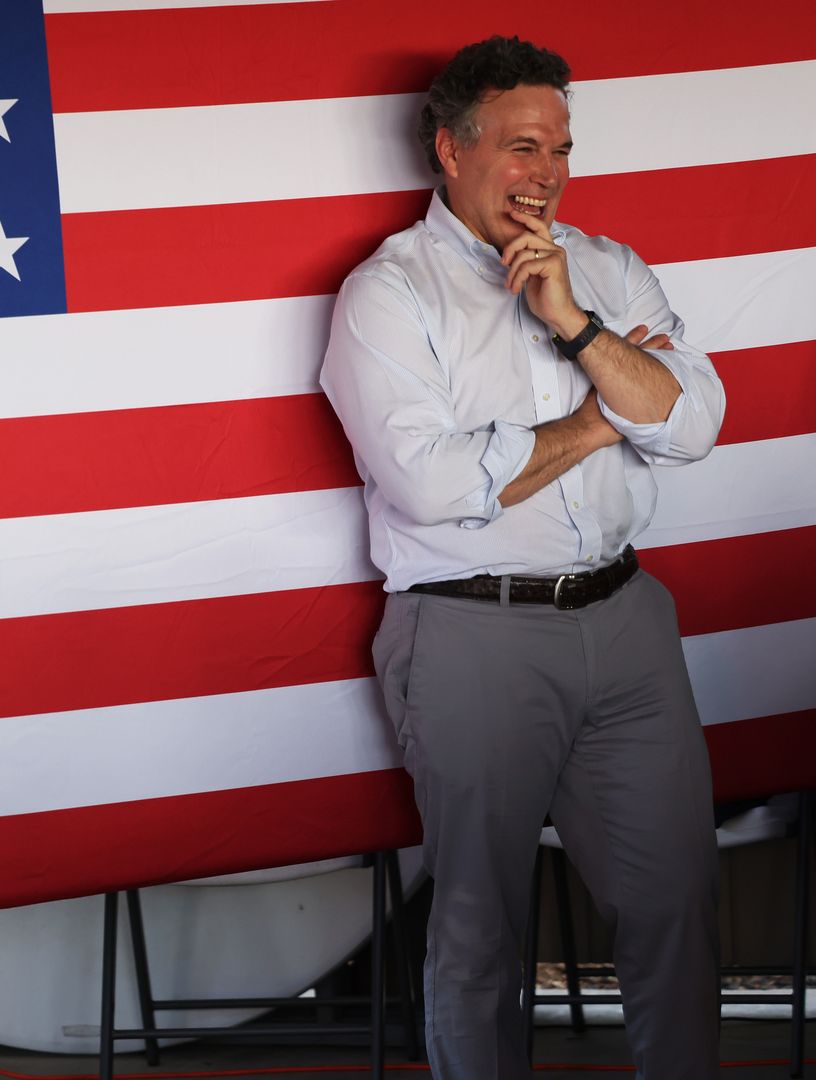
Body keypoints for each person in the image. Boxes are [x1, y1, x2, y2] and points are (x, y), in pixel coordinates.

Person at [319, 36, 726, 1078]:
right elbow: (434, 488)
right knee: (478, 927)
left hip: (628, 626)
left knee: (677, 902)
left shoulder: (605, 268)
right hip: (470, 633)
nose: (546, 172)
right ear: (450, 152)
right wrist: (603, 421)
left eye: (561, 148)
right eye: (521, 146)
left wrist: (578, 327)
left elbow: (692, 421)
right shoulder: (389, 294)